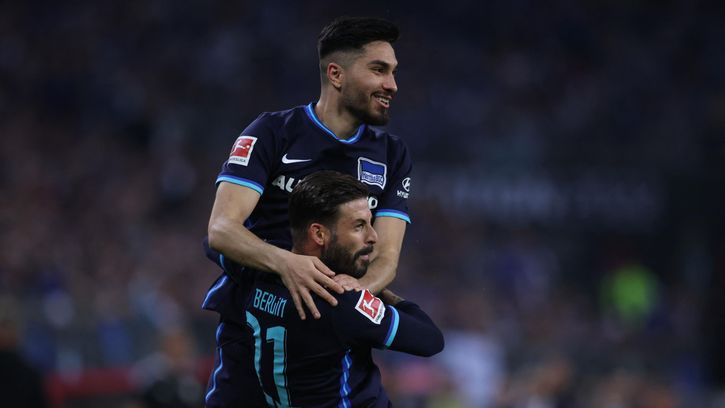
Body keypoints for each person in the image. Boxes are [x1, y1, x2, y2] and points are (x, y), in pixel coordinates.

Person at [202, 17, 414, 407]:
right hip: (257, 330)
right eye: (379, 70)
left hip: (335, 343)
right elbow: (221, 229)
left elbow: (386, 258)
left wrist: (354, 293)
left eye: (393, 72)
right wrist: (286, 263)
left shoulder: (392, 155)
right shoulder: (271, 132)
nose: (392, 85)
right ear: (336, 74)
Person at [246, 171, 443, 407]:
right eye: (359, 226)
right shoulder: (337, 300)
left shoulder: (261, 278)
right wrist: (384, 294)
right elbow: (431, 339)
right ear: (319, 234)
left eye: (370, 223)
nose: (373, 236)